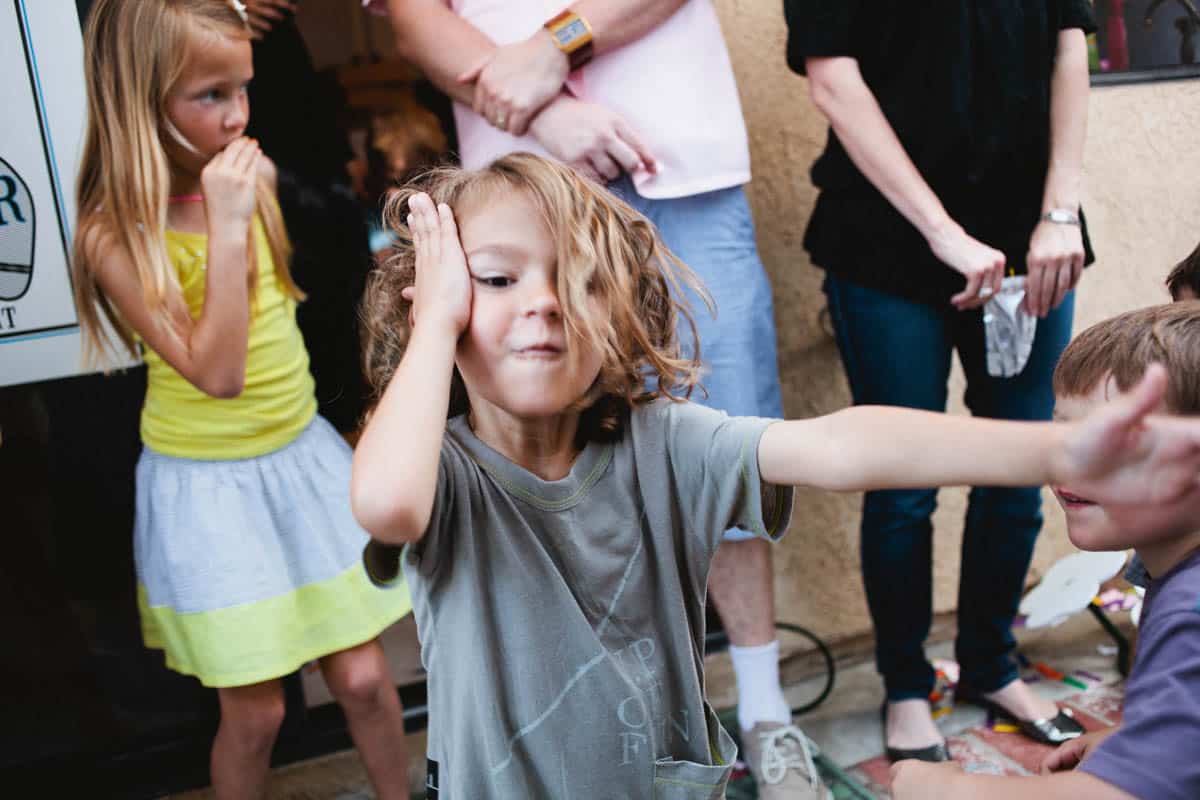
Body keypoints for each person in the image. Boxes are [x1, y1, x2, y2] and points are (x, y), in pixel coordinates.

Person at [351, 153, 1200, 799]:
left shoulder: (664, 444)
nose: (540, 302)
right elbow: (388, 504)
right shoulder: (442, 472)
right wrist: (435, 330)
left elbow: (842, 446)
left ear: (621, 316)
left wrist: (1054, 454)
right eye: (493, 280)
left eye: (577, 283)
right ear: (435, 302)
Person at [379, 3, 798, 791]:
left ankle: (765, 713)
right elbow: (414, 18)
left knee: (724, 450)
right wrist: (544, 111)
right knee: (535, 479)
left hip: (681, 162)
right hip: (519, 175)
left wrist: (556, 46)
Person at [70, 2, 410, 797]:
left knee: (363, 679)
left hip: (299, 460)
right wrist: (226, 227)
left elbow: (307, 291)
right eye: (210, 96)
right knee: (254, 717)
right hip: (210, 488)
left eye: (243, 90)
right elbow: (216, 374)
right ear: (138, 99)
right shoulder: (113, 232)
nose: (238, 117)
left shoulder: (251, 180)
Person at [783, 0, 1098, 760]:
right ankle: (903, 685)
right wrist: (943, 233)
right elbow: (833, 81)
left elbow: (1069, 49)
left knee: (1024, 469)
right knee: (903, 485)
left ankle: (992, 663)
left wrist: (1061, 210)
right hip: (887, 247)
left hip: (1034, 246)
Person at [891, 302, 1200, 800]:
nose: (1067, 466)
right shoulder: (1174, 572)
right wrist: (1133, 744)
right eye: (1063, 434)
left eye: (1109, 442)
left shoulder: (1191, 612)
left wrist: (948, 790)